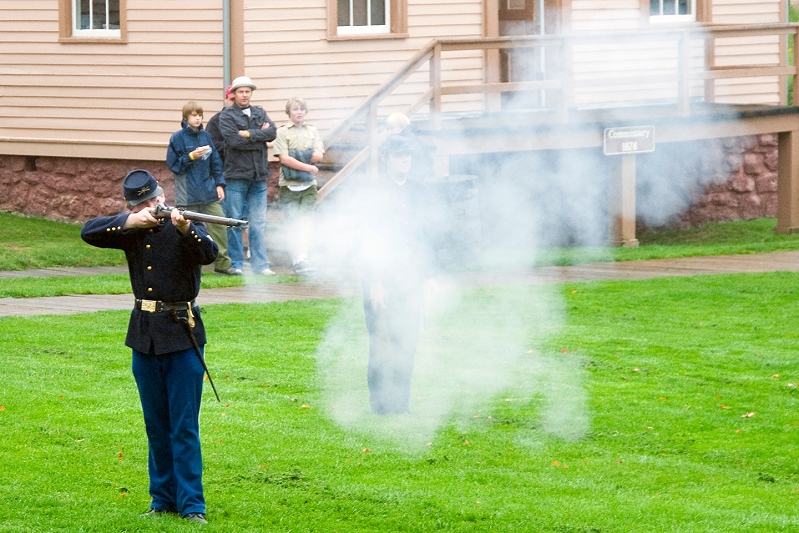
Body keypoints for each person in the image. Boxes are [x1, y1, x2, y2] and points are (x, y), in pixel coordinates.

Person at [80, 170, 218, 524]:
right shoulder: (132, 230)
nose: (150, 206)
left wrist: (185, 228)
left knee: (184, 426)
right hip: (145, 337)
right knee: (155, 425)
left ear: (161, 195)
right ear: (132, 205)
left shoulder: (182, 224)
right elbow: (88, 231)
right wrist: (130, 221)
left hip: (181, 334)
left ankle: (192, 505)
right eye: (140, 203)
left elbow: (209, 253)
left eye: (152, 200)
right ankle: (162, 501)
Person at [360, 134, 438, 415]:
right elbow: (368, 240)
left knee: (408, 342)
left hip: (412, 276)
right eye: (399, 156)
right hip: (382, 277)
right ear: (386, 159)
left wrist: (429, 275)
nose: (405, 160)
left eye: (408, 156)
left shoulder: (420, 191)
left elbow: (429, 235)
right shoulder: (374, 191)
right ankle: (381, 408)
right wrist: (376, 282)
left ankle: (401, 406)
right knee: (382, 344)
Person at [167, 101, 238, 275]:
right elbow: (173, 165)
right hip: (187, 196)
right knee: (185, 230)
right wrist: (190, 156)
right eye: (194, 115)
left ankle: (223, 264)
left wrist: (220, 184)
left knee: (220, 224)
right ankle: (185, 264)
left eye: (200, 115)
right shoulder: (177, 138)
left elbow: (215, 163)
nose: (198, 118)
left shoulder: (206, 136)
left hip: (208, 193)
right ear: (185, 118)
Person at [218, 75, 277, 275]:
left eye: (247, 91)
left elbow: (272, 133)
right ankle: (236, 263)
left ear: (251, 93)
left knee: (258, 222)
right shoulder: (226, 116)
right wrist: (258, 136)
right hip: (235, 176)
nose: (244, 95)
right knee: (235, 220)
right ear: (233, 94)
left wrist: (248, 134)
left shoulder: (260, 112)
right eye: (241, 91)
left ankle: (261, 265)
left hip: (259, 176)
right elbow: (233, 141)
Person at [272, 96, 325, 274]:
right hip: (288, 186)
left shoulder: (312, 131)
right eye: (295, 109)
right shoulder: (282, 132)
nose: (299, 112)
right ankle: (297, 259)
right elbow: (284, 158)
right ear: (289, 113)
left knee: (306, 223)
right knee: (293, 223)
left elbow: (319, 155)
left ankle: (304, 257)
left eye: (302, 109)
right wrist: (308, 166)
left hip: (309, 186)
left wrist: (297, 157)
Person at [385, 112, 433, 183]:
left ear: (401, 126)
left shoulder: (405, 141)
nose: (389, 131)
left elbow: (421, 161)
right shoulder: (412, 137)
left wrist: (412, 181)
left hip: (412, 180)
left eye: (391, 128)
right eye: (387, 128)